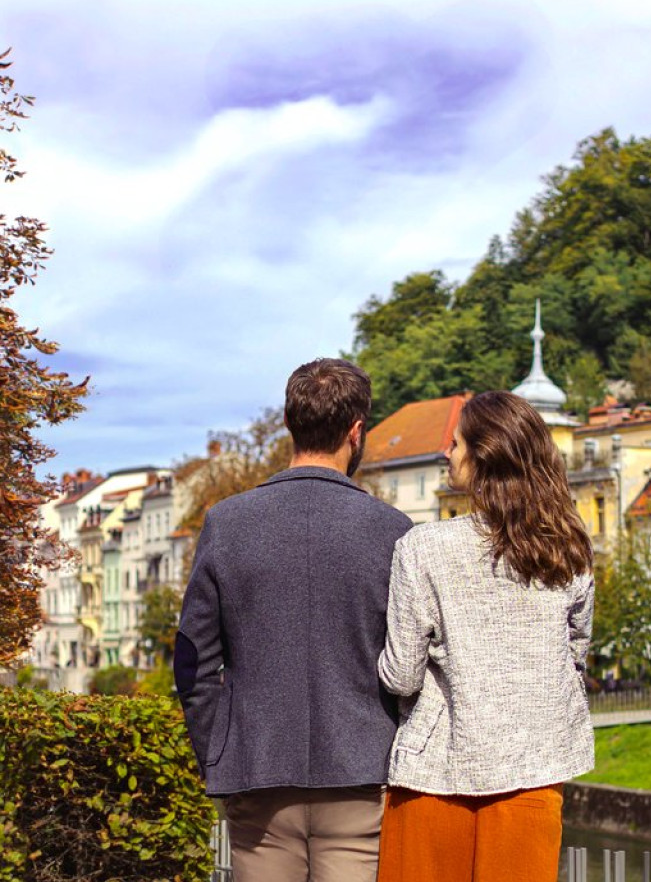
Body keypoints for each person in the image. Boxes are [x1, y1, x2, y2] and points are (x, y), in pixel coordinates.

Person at [176, 359, 413, 882]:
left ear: (289, 422)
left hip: (257, 774)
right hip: (362, 772)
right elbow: (409, 662)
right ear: (356, 432)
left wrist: (218, 751)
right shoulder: (393, 530)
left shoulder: (227, 522)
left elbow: (193, 661)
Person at [377, 391, 595, 882]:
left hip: (436, 776)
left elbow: (402, 676)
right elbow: (575, 654)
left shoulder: (425, 547)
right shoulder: (568, 550)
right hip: (535, 773)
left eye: (454, 444)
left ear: (482, 455)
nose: (447, 454)